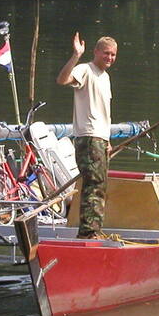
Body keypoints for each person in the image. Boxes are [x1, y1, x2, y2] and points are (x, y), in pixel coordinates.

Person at [57, 33, 117, 238]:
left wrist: (107, 141)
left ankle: (91, 230)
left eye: (113, 55)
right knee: (95, 186)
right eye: (106, 53)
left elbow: (103, 113)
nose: (110, 58)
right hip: (89, 138)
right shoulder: (86, 70)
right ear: (96, 52)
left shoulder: (106, 77)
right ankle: (89, 233)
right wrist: (76, 55)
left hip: (100, 139)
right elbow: (62, 79)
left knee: (98, 185)